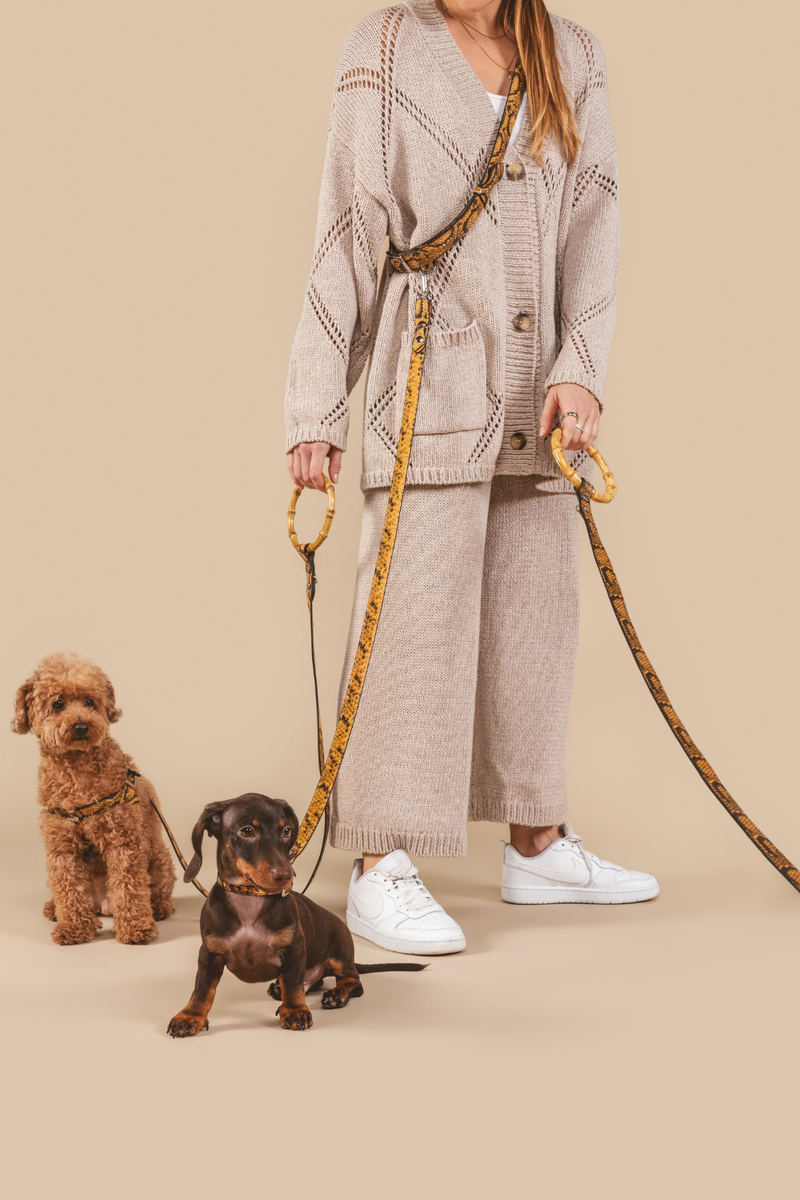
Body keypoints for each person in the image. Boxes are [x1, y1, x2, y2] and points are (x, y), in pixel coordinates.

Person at [285, 0, 658, 956]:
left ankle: (536, 841)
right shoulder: (384, 46)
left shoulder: (574, 54)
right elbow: (349, 226)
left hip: (541, 399)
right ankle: (378, 859)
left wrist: (584, 368)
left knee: (536, 614)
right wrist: (316, 408)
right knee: (412, 622)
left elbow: (596, 220)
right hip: (427, 379)